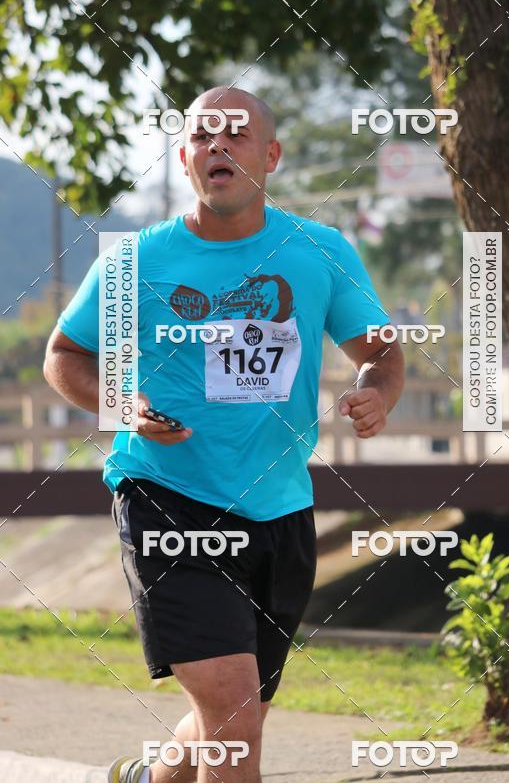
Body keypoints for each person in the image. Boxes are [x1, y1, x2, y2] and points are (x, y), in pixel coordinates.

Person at [43, 87, 405, 783]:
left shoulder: (318, 251)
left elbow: (381, 351)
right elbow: (66, 354)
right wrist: (120, 400)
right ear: (185, 159)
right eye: (204, 136)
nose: (219, 145)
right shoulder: (137, 260)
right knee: (235, 713)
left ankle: (149, 777)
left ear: (268, 156)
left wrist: (375, 390)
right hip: (167, 499)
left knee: (237, 717)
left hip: (280, 509)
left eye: (236, 135)